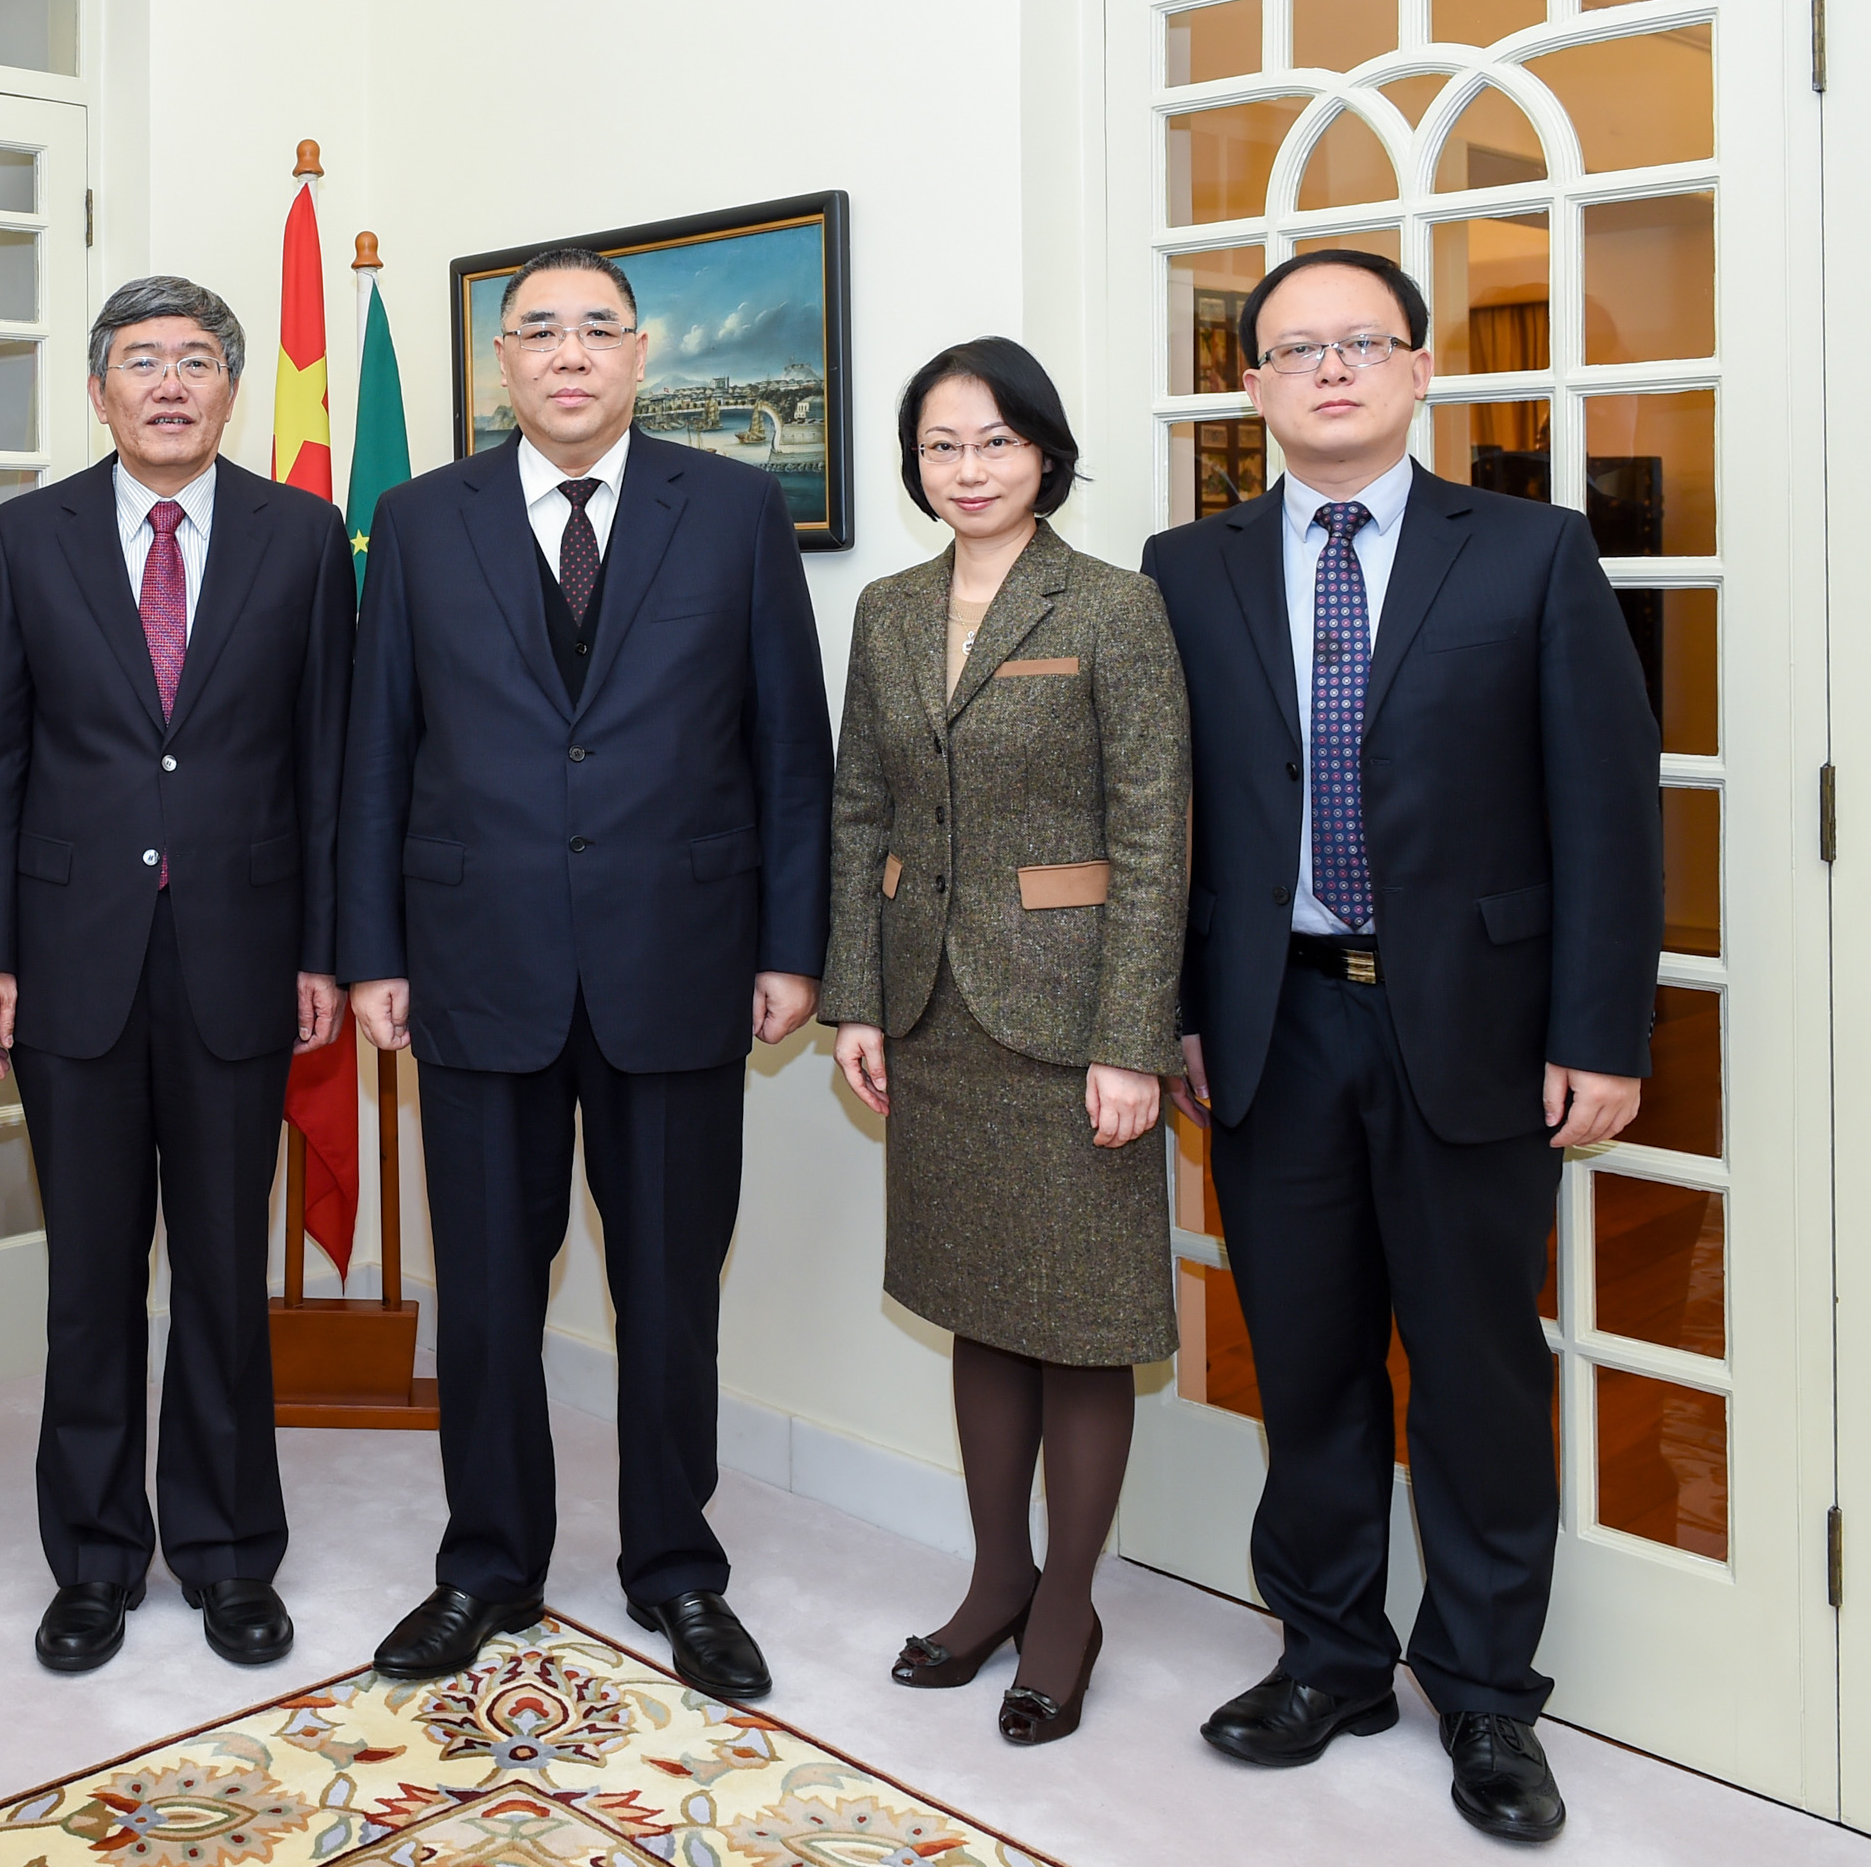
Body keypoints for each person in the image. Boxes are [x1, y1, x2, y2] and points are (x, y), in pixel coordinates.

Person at [1143, 248, 1663, 1843]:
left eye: (1363, 343)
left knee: (1477, 1371)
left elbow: (1608, 808)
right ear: (1252, 386)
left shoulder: (1531, 551)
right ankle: (1328, 1658)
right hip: (1273, 1022)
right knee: (1304, 1365)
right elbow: (1166, 819)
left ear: (1420, 369)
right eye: (1297, 349)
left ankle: (1490, 1697)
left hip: (1477, 1029)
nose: (1332, 370)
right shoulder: (1186, 567)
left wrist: (1599, 1031)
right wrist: (1174, 1011)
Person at [341, 247, 833, 1700]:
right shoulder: (420, 519)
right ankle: (488, 1564)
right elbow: (377, 752)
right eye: (539, 331)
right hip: (473, 964)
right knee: (488, 1293)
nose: (569, 354)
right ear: (501, 362)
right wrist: (371, 952)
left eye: (597, 329)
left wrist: (790, 946)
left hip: (680, 962)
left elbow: (787, 749)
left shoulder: (733, 508)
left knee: (670, 1292)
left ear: (640, 354)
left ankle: (678, 1570)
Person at [0, 276, 353, 1674]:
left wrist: (324, 947)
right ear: (100, 390)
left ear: (231, 388)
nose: (169, 383)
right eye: (142, 361)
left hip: (243, 956)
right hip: (73, 962)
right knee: (91, 1280)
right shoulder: (26, 536)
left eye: (194, 360)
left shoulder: (303, 536)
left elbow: (329, 760)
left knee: (227, 1277)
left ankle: (231, 1552)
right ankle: (94, 1557)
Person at [822, 338, 1188, 1746]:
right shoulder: (889, 609)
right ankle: (996, 1579)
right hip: (931, 1012)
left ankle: (1066, 1610)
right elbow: (861, 810)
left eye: (994, 443)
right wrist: (859, 997)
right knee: (978, 1300)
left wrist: (1131, 1039)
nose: (967, 470)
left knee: (1082, 1322)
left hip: (1074, 1018)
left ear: (1044, 453)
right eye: (940, 446)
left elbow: (1155, 832)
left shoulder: (1114, 605)